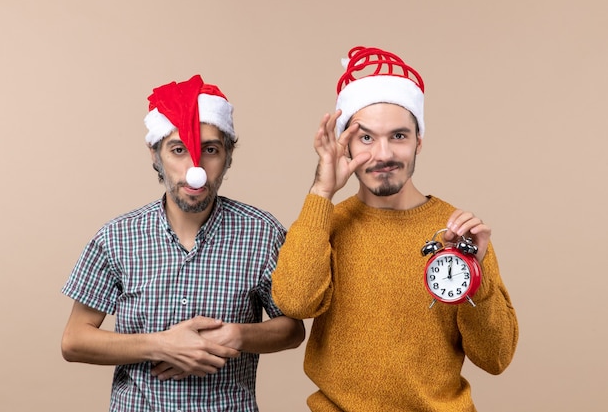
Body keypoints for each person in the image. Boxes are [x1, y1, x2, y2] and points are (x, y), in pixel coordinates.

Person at [271, 46, 519, 412]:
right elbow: (294, 301)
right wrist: (321, 192)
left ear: (419, 140)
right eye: (367, 138)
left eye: (399, 136)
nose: (383, 154)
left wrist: (475, 276)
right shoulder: (327, 222)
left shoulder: (459, 234)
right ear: (346, 144)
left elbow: (496, 358)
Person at [61, 74, 305, 412]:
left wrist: (234, 336)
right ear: (155, 155)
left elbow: (292, 329)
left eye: (210, 150)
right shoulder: (116, 237)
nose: (196, 170)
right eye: (178, 150)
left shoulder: (263, 233)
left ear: (228, 156)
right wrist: (161, 346)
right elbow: (74, 341)